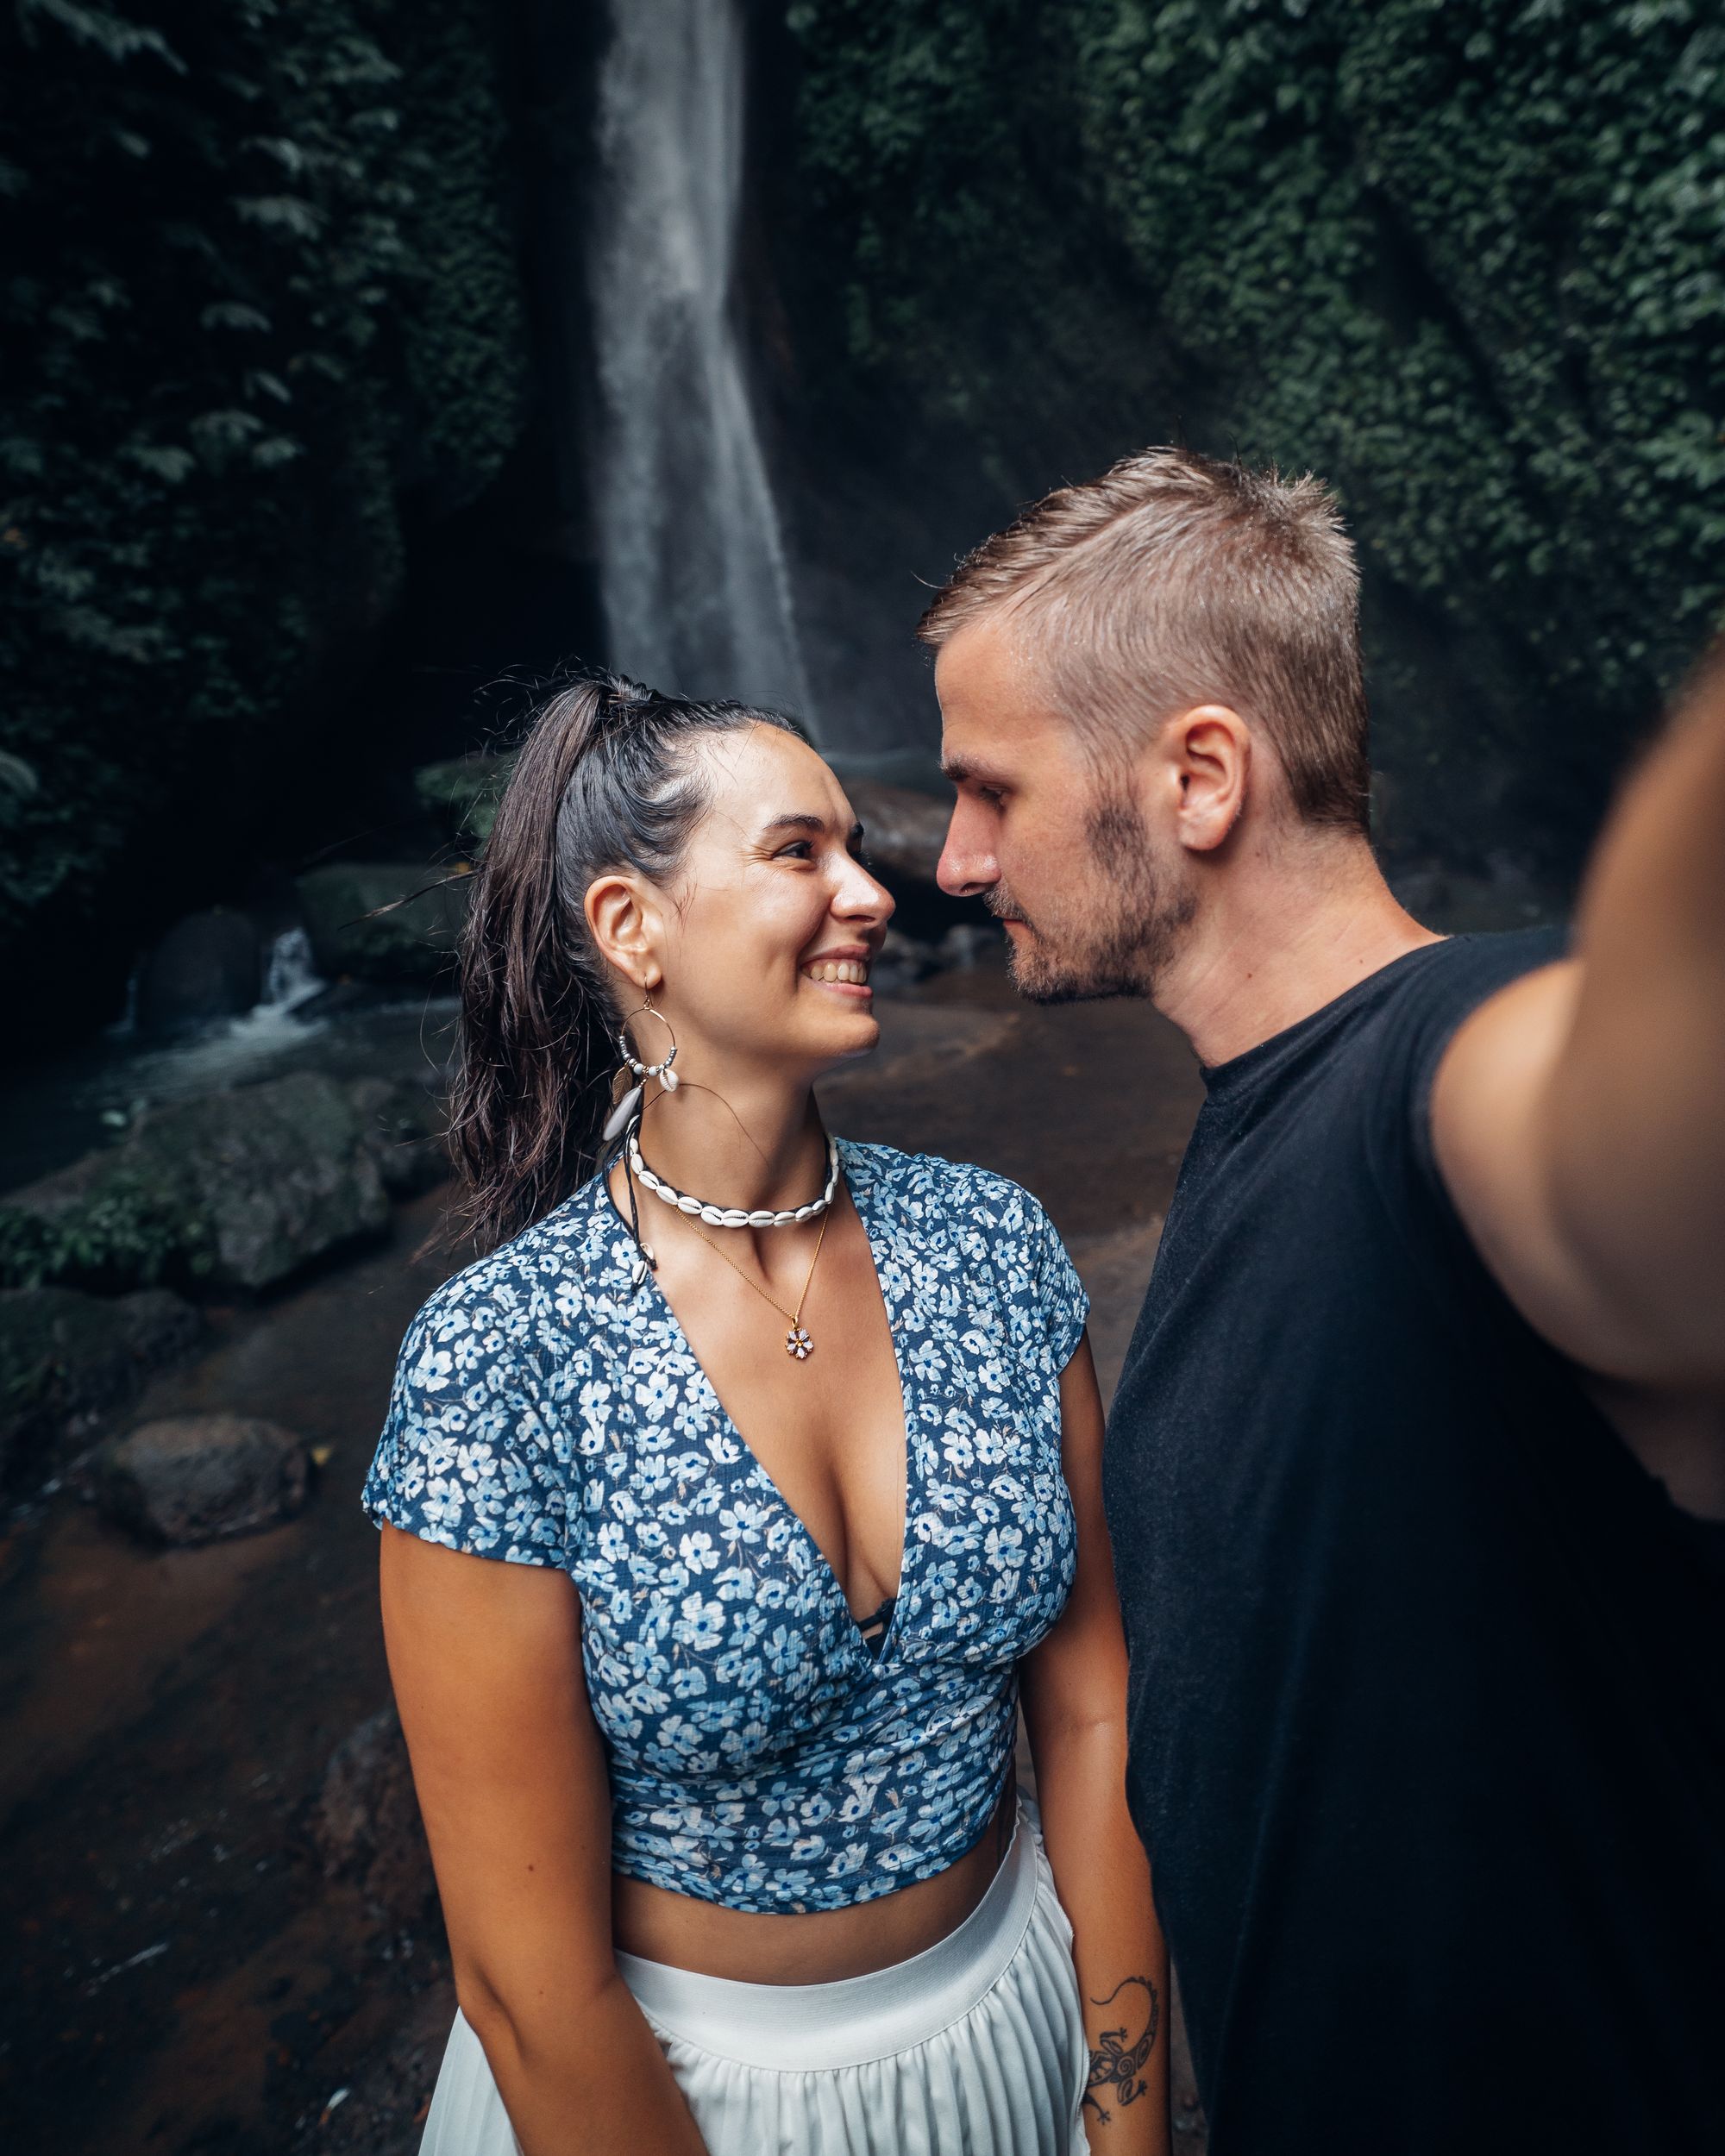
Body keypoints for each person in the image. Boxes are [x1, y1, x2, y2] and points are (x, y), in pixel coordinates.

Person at [925, 448, 1725, 2156]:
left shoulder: (1457, 1063)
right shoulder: (1252, 1117)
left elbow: (1636, 1168)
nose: (953, 861)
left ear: (1200, 775)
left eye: (989, 789)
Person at [362, 675, 1170, 2156]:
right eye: (801, 853)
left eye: (857, 847)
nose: (874, 892)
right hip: (668, 2099)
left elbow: (1096, 1710)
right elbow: (528, 1987)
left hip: (1011, 2029)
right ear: (630, 929)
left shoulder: (993, 1248)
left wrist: (1122, 2118)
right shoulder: (500, 1361)